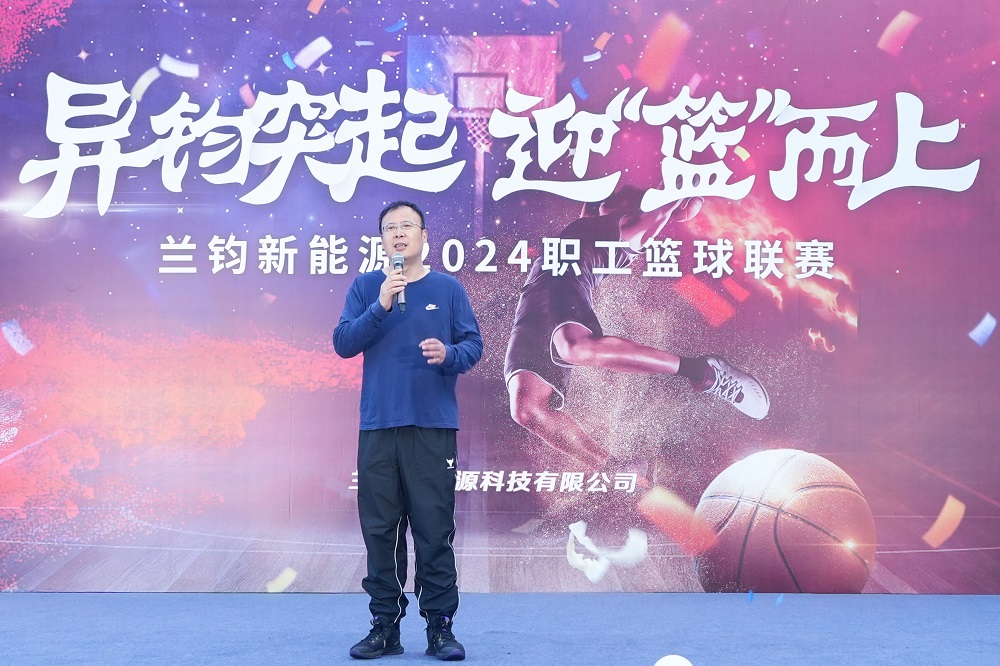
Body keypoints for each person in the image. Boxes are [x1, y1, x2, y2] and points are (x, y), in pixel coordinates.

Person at [503, 188, 769, 547]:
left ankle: (702, 371)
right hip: (532, 307)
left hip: (564, 290)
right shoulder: (586, 226)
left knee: (576, 346)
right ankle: (618, 470)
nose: (602, 201)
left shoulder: (621, 228)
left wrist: (675, 201)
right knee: (527, 410)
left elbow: (650, 219)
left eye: (615, 199)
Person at [334, 201, 482, 661]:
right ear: (382, 240)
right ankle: (385, 626)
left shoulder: (448, 288)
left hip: (431, 426)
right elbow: (343, 343)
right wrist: (380, 305)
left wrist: (449, 355)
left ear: (423, 235)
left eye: (406, 226)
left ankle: (440, 627)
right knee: (380, 530)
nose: (398, 234)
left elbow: (473, 344)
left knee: (434, 530)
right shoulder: (367, 287)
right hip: (379, 425)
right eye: (389, 228)